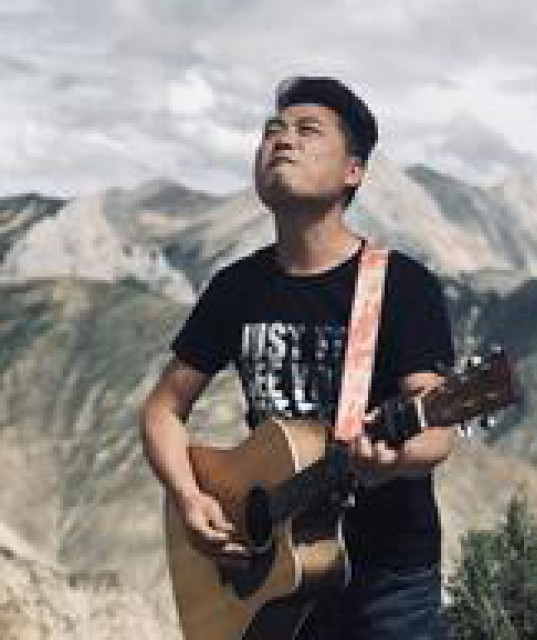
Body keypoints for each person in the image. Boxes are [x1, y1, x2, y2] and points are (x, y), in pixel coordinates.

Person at [140, 76, 456, 639]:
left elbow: (436, 426)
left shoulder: (401, 285)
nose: (282, 140)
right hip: (268, 572)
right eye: (273, 130)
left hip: (386, 581)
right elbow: (163, 410)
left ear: (353, 171)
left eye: (308, 130)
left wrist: (394, 460)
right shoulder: (236, 288)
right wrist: (189, 498)